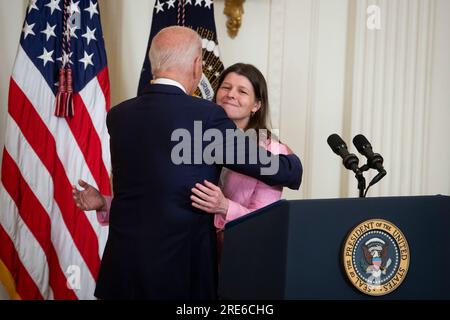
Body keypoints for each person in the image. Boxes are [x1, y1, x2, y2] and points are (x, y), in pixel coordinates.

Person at [72, 26, 302, 300]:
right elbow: (273, 168)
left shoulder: (120, 115)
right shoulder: (205, 116)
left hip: (122, 272)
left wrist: (105, 202)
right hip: (179, 276)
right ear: (196, 66)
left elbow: (153, 191)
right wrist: (292, 163)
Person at [189, 63, 290, 262]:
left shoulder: (271, 151)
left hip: (237, 257)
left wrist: (224, 206)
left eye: (242, 91)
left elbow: (264, 220)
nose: (231, 94)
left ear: (256, 105)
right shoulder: (193, 138)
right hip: (191, 252)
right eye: (226, 87)